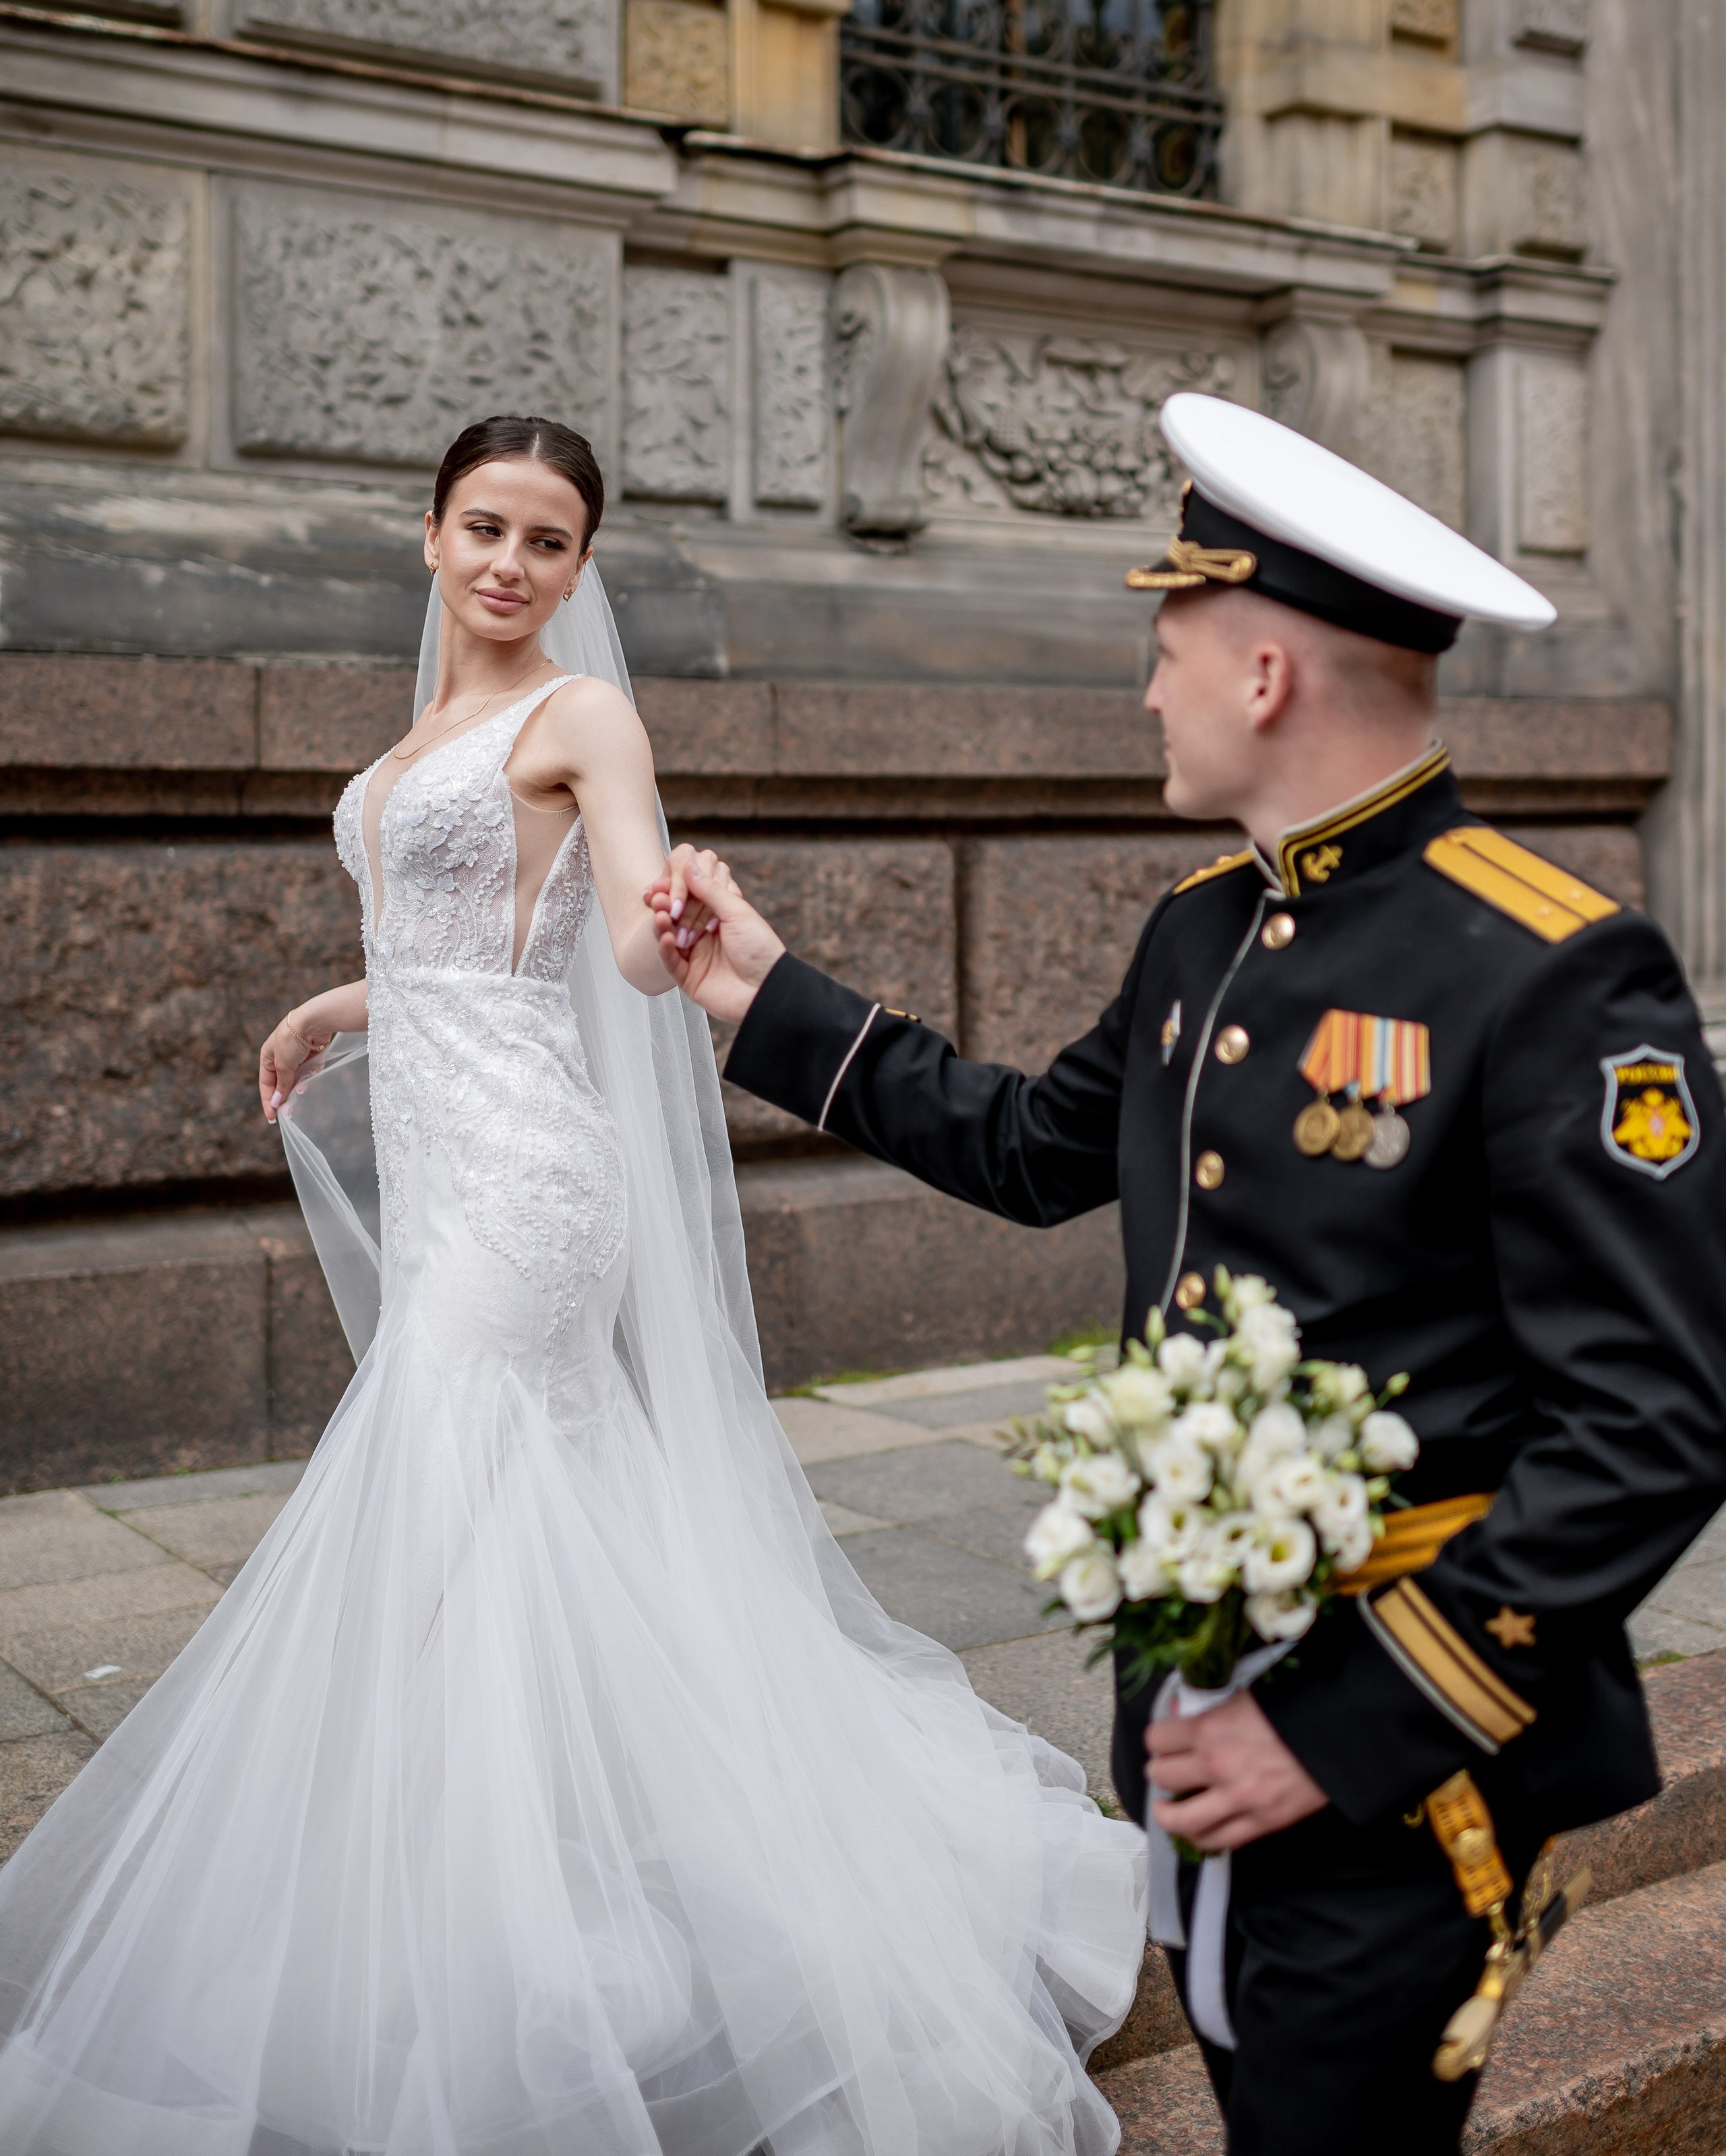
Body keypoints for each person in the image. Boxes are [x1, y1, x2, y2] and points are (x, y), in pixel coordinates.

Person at [0, 415, 1147, 2156]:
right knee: (532, 1528)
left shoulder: (582, 716)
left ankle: (512, 1954)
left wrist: (684, 923)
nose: (510, 565)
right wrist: (338, 1004)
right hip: (454, 1156)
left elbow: (606, 938)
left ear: (582, 567)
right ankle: (570, 1909)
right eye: (484, 528)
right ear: (431, 535)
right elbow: (456, 952)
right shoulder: (428, 735)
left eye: (548, 541)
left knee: (435, 1516)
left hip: (532, 1190)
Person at [648, 393, 1726, 2156]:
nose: (1147, 690)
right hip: (1191, 1694)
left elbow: (1659, 1427)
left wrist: (1350, 1727)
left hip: (1404, 1746)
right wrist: (762, 997)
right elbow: (1025, 1150)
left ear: (1265, 673)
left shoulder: (1550, 967)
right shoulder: (1202, 931)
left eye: (1167, 649)